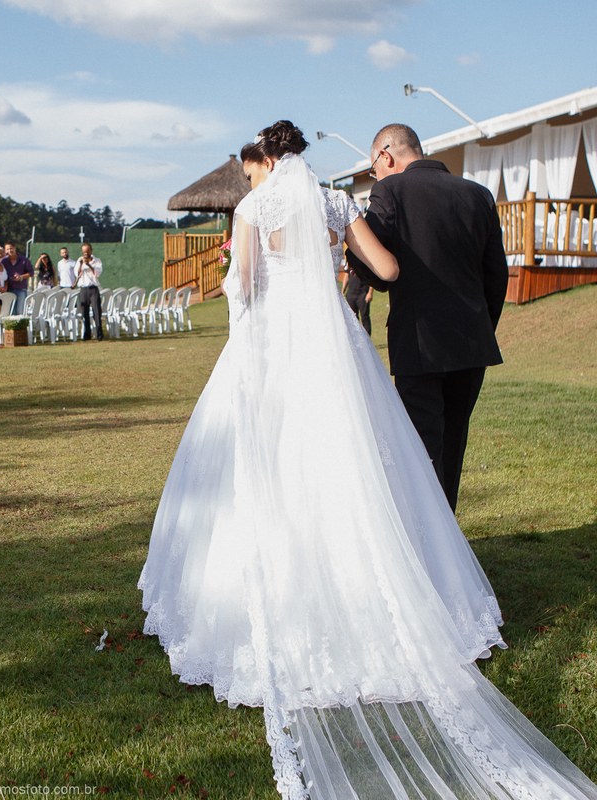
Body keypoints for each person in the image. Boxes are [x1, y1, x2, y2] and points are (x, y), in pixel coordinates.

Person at [139, 121, 597, 800]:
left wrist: (250, 331)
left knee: (278, 471)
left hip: (273, 350)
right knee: (360, 467)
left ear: (267, 159)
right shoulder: (335, 203)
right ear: (304, 155)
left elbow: (240, 286)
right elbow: (386, 269)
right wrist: (335, 284)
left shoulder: (253, 208)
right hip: (336, 355)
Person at [347, 123, 508, 513]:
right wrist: (480, 327)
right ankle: (448, 540)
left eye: (374, 168)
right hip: (472, 345)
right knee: (452, 449)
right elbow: (496, 276)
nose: (376, 176)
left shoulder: (390, 190)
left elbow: (378, 270)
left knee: (421, 452)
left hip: (419, 343)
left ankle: (431, 552)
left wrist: (350, 251)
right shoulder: (479, 195)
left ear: (385, 156)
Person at [74, 243, 103, 341]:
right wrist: (82, 264)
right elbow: (77, 274)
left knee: (97, 312)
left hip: (93, 288)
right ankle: (87, 334)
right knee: (84, 312)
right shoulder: (79, 260)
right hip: (83, 289)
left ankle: (100, 334)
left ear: (91, 250)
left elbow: (97, 274)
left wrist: (88, 265)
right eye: (83, 251)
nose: (85, 253)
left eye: (87, 251)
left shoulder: (97, 261)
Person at [0, 242, 33, 313]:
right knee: (10, 311)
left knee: (20, 311)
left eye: (11, 248)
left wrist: (21, 277)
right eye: (7, 249)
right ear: (5, 251)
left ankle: (20, 324)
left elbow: (31, 273)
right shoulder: (3, 261)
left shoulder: (24, 260)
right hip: (9, 289)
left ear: (15, 248)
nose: (10, 251)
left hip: (21, 289)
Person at [340, 263, 372, 335]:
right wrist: (342, 290)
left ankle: (367, 338)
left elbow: (370, 277)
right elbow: (346, 276)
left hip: (362, 293)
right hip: (351, 293)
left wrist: (370, 292)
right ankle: (356, 337)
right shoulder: (349, 261)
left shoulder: (364, 261)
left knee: (364, 316)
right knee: (353, 318)